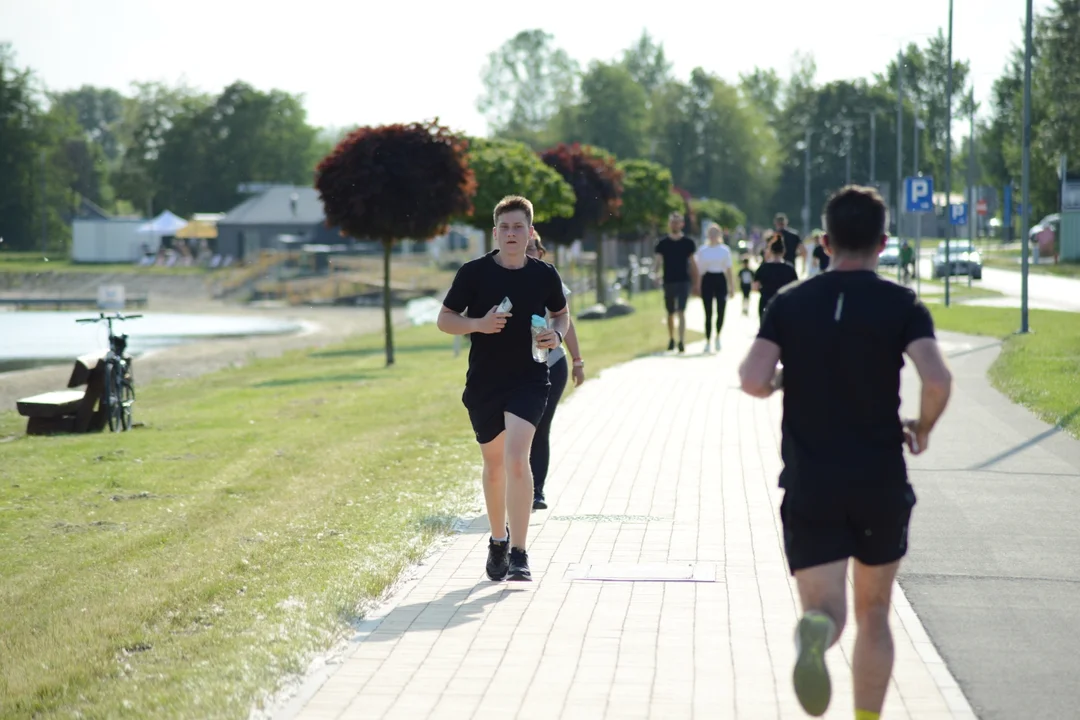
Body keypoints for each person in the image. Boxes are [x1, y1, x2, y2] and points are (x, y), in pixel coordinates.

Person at [737, 185, 953, 719]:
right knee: (875, 612)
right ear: (883, 242)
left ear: (826, 242)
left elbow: (751, 379)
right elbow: (937, 378)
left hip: (812, 480)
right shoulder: (901, 303)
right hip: (879, 476)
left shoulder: (792, 302)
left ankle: (817, 633)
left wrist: (787, 379)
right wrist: (921, 427)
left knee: (828, 609)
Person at [437, 195, 570, 582]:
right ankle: (498, 539)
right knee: (495, 467)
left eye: (519, 227)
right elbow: (446, 319)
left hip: (530, 378)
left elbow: (561, 314)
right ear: (495, 233)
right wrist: (478, 324)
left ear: (530, 233)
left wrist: (555, 337)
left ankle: (520, 553)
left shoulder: (544, 274)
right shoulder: (473, 273)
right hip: (485, 382)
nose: (512, 234)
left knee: (516, 460)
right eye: (505, 228)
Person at [525, 231, 585, 510]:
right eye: (525, 248)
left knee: (539, 427)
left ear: (541, 251)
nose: (528, 252)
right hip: (512, 367)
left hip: (551, 364)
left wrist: (577, 360)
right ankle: (516, 485)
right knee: (515, 430)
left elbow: (566, 321)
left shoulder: (550, 278)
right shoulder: (499, 275)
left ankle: (536, 491)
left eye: (533, 248)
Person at [653, 211, 700, 353]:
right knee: (670, 312)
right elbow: (658, 262)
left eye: (677, 222)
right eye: (672, 222)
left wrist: (697, 281)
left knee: (681, 311)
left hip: (683, 280)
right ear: (669, 224)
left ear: (682, 224)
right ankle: (671, 338)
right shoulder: (662, 243)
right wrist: (655, 274)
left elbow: (693, 263)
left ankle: (681, 340)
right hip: (668, 280)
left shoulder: (688, 243)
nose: (674, 224)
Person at [695, 225, 735, 352]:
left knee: (721, 309)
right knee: (708, 312)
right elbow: (700, 270)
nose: (713, 235)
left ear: (719, 235)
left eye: (715, 233)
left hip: (720, 279)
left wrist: (731, 286)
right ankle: (707, 340)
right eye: (710, 233)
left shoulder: (724, 250)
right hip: (707, 279)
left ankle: (718, 335)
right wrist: (698, 285)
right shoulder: (702, 250)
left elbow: (729, 269)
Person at [753, 235, 799, 321]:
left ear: (770, 251)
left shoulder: (763, 268)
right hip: (784, 303)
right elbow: (795, 288)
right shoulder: (789, 268)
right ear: (784, 251)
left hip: (766, 302)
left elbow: (755, 287)